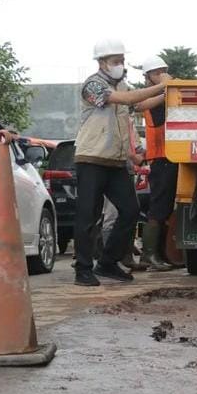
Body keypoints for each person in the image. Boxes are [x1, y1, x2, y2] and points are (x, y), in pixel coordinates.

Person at [72, 38, 167, 287]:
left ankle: (108, 262)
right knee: (87, 216)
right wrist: (160, 87)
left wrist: (169, 90)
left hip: (115, 161)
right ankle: (82, 269)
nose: (120, 65)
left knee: (131, 210)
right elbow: (125, 100)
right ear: (102, 62)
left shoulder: (122, 86)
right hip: (91, 158)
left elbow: (139, 104)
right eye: (116, 61)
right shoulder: (92, 85)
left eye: (122, 61)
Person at [135, 55, 176, 271]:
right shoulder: (150, 97)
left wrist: (169, 88)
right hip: (161, 157)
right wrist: (166, 87)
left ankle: (160, 253)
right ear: (149, 77)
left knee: (167, 206)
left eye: (164, 70)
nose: (161, 74)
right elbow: (142, 104)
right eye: (157, 72)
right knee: (159, 205)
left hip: (172, 155)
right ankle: (149, 255)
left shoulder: (166, 92)